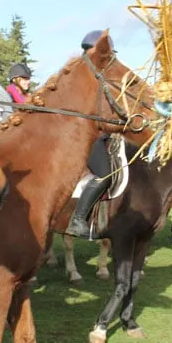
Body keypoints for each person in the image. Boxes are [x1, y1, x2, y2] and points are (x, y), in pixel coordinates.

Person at [66, 30, 117, 238]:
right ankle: (78, 219)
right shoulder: (81, 75)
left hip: (103, 134)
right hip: (85, 136)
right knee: (105, 174)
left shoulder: (99, 77)